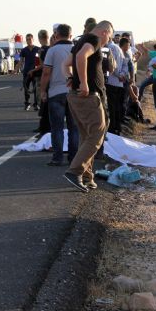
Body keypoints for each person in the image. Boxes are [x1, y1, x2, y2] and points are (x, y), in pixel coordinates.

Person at [63, 21, 112, 192]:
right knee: (97, 135)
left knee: (86, 137)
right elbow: (80, 57)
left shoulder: (81, 41)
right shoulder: (94, 40)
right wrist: (83, 83)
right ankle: (75, 171)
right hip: (88, 97)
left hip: (78, 96)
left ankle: (86, 176)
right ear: (104, 32)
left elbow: (65, 64)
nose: (109, 40)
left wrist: (70, 78)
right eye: (110, 36)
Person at [40, 24, 78, 166]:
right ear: (70, 35)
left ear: (56, 35)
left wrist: (43, 91)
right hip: (74, 92)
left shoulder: (52, 50)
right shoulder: (77, 49)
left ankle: (57, 158)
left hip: (56, 92)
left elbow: (46, 72)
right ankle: (73, 158)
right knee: (74, 128)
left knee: (57, 128)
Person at [105, 36, 129, 135]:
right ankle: (117, 127)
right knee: (118, 106)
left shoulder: (108, 48)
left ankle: (112, 128)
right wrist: (122, 74)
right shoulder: (118, 48)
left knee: (112, 107)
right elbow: (125, 64)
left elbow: (112, 65)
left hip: (111, 81)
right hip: (119, 83)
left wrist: (119, 75)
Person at [16, 33, 41, 111]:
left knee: (36, 89)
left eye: (30, 39)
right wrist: (16, 69)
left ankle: (36, 104)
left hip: (35, 72)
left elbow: (41, 60)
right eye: (27, 40)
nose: (28, 41)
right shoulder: (24, 50)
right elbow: (21, 61)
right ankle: (27, 104)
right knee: (26, 88)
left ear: (33, 40)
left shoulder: (38, 49)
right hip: (26, 72)